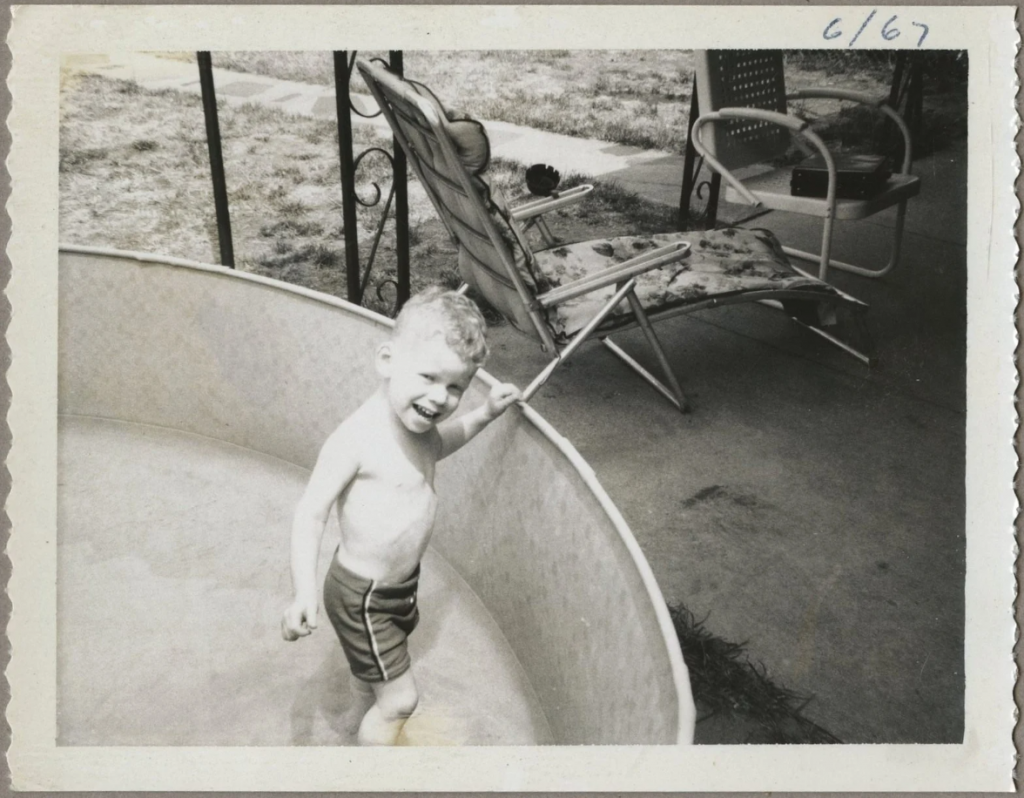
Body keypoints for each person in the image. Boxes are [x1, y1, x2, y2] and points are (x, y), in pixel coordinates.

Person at [281, 287, 522, 745]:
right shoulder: (357, 438)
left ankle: (356, 717)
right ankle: (374, 777)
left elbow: (444, 442)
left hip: (398, 587)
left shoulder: (421, 430)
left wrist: (485, 413)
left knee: (375, 673)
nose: (440, 398)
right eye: (429, 376)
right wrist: (303, 593)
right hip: (363, 595)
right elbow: (310, 513)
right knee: (400, 701)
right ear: (387, 360)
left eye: (456, 387)